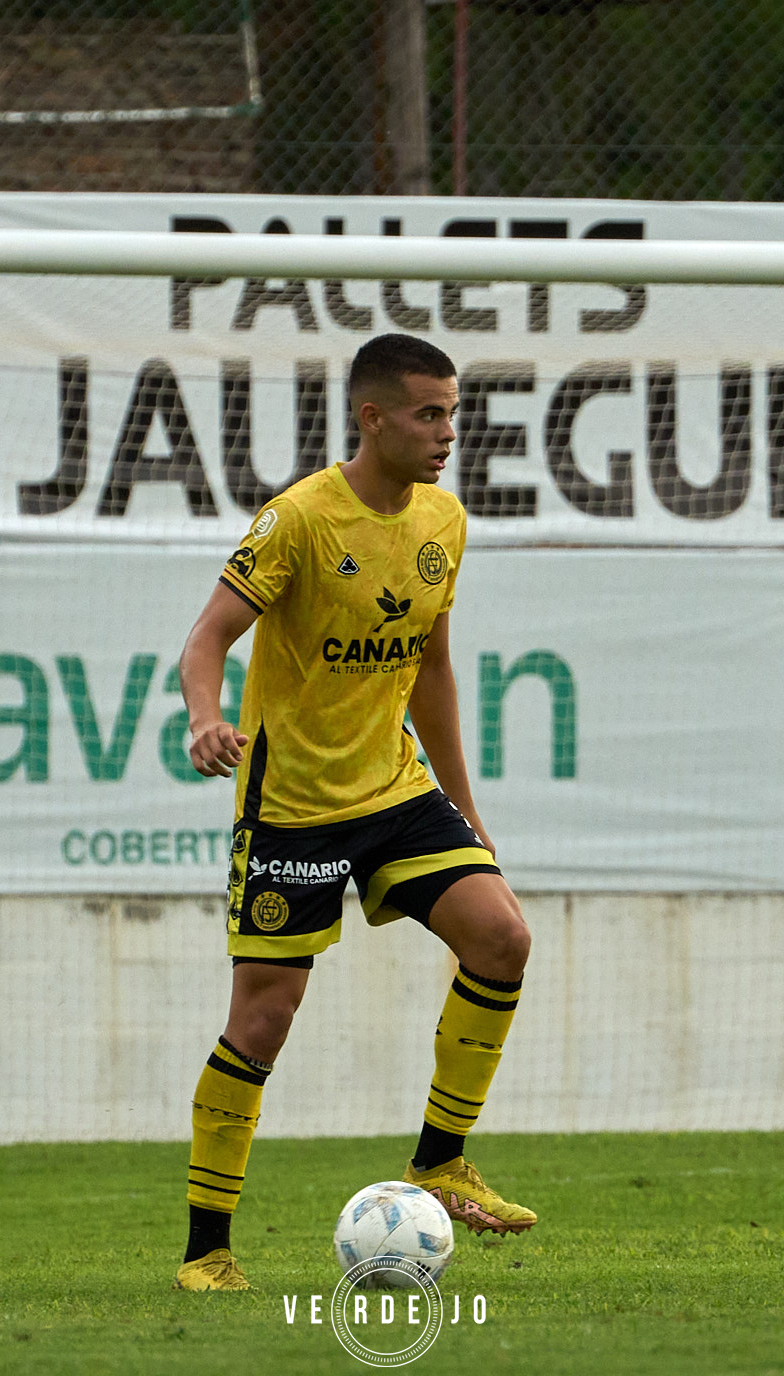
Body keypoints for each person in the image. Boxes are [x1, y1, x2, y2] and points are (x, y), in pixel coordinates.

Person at [171, 333, 537, 1292]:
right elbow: (204, 640)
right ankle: (207, 1253)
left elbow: (433, 669)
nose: (448, 432)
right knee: (264, 1018)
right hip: (291, 805)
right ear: (371, 418)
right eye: (428, 413)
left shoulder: (445, 522)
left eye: (454, 411)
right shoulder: (297, 520)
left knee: (501, 938)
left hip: (396, 791)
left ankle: (440, 1163)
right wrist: (206, 719)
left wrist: (466, 806)